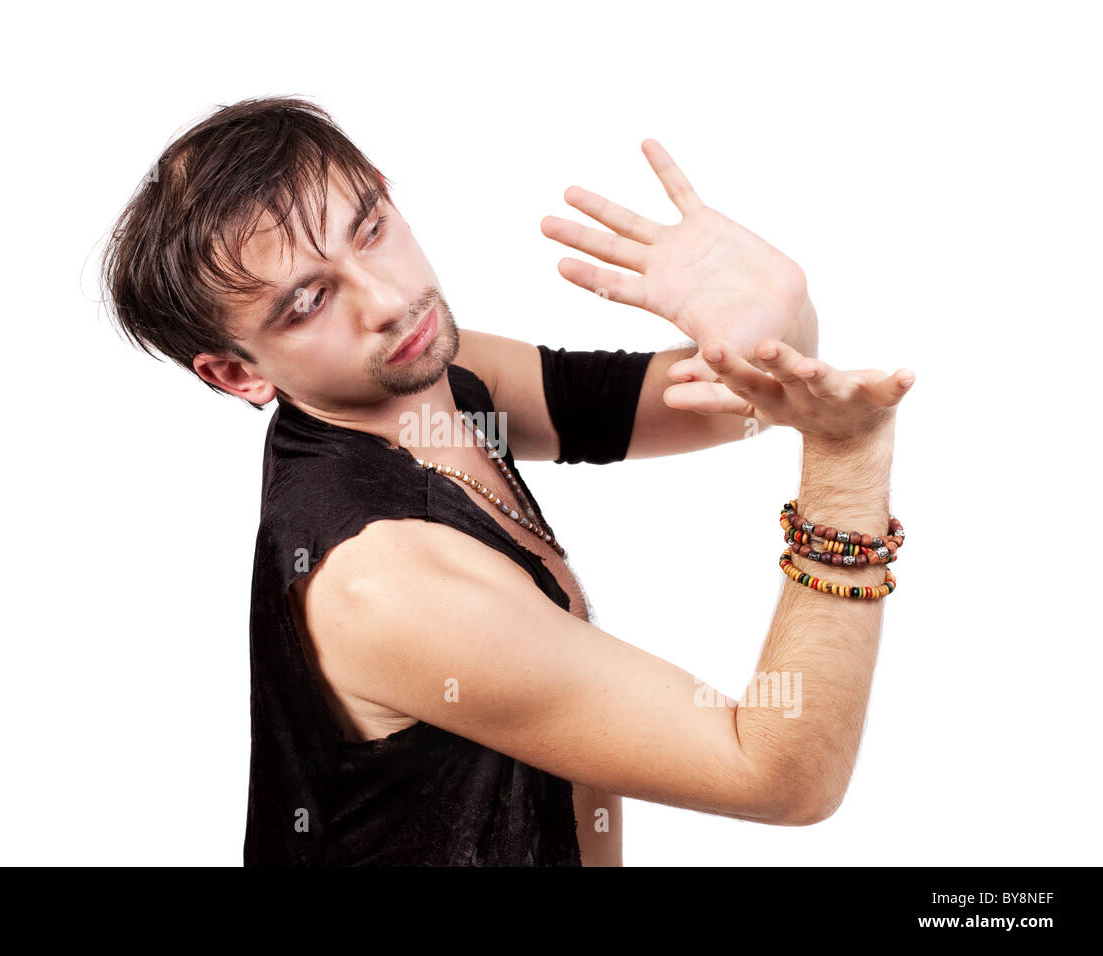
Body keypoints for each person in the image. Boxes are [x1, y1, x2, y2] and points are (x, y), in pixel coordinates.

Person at [99, 96, 915, 866]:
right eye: (309, 302)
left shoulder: (428, 379)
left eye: (371, 229)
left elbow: (720, 405)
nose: (386, 301)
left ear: (387, 191)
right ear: (237, 373)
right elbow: (779, 774)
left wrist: (774, 320)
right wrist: (845, 470)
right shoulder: (385, 580)